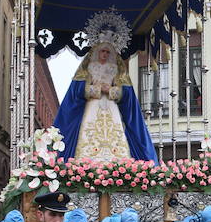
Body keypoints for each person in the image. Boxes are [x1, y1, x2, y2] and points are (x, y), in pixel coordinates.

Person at [52, 12, 158, 162]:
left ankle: (117, 163)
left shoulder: (118, 69)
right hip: (92, 106)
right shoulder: (88, 67)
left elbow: (127, 94)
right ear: (97, 51)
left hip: (111, 106)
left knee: (115, 135)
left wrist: (112, 91)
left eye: (108, 52)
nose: (105, 54)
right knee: (89, 133)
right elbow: (76, 91)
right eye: (102, 51)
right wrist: (95, 90)